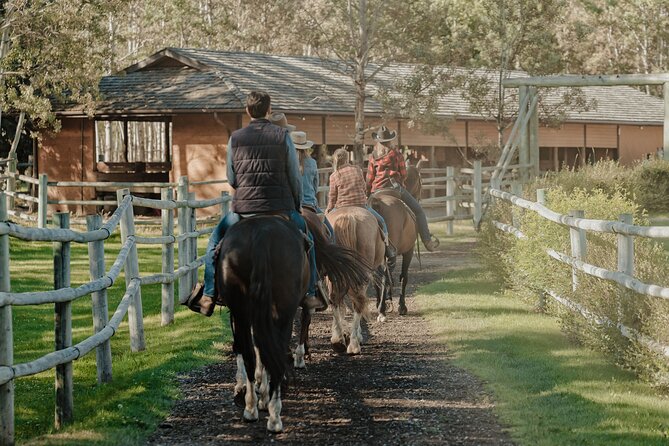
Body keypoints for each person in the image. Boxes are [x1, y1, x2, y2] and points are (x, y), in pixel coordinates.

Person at [185, 91, 325, 316]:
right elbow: (293, 176)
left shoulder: (236, 137)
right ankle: (310, 292)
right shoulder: (282, 136)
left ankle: (209, 295)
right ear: (269, 111)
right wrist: (297, 205)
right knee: (309, 242)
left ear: (248, 111)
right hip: (280, 208)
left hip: (243, 211)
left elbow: (232, 178)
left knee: (213, 244)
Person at [366, 125, 439, 251]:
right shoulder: (396, 154)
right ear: (390, 141)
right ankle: (427, 242)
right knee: (419, 211)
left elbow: (369, 178)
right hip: (394, 189)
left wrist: (368, 193)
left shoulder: (373, 156)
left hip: (376, 190)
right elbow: (404, 174)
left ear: (378, 141)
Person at [326, 147, 396, 264]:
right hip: (361, 206)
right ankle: (388, 250)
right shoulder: (357, 169)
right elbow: (364, 187)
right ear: (347, 158)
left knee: (325, 229)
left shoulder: (334, 175)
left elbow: (332, 197)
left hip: (341, 207)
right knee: (381, 221)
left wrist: (328, 210)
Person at [292, 130, 335, 238]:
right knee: (331, 233)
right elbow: (315, 187)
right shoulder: (312, 163)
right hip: (310, 206)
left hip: (293, 206)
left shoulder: (289, 163)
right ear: (306, 147)